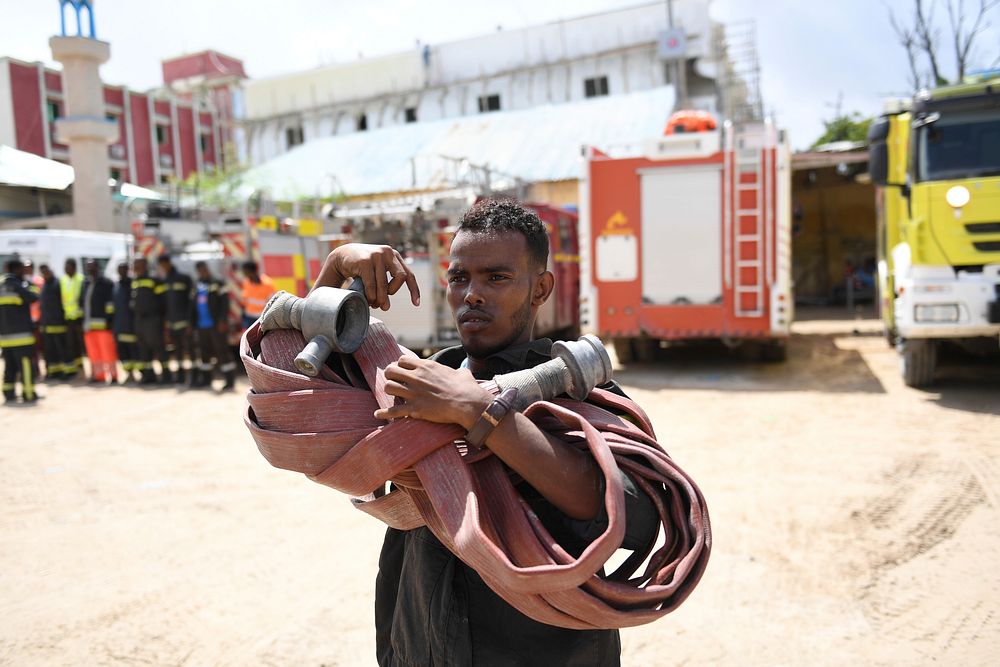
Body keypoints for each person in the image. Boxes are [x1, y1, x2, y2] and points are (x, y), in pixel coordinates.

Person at [312, 198, 656, 666]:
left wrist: (479, 412)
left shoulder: (580, 395)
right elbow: (295, 400)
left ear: (540, 290)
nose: (472, 294)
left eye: (497, 277)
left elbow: (633, 517)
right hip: (420, 647)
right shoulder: (417, 381)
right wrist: (334, 272)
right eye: (459, 278)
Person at [190, 261, 237, 390]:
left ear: (208, 269)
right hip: (201, 326)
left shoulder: (218, 282)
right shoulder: (196, 285)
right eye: (200, 270)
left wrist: (222, 320)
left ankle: (229, 381)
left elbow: (224, 302)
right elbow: (192, 306)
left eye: (205, 269)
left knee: (222, 351)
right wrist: (192, 323)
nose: (203, 272)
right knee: (204, 353)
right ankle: (206, 380)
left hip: (216, 325)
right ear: (198, 271)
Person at [1, 259, 40, 404]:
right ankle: (28, 393)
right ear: (17, 270)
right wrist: (27, 282)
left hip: (4, 337)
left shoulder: (1, 285)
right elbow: (34, 296)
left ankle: (8, 393)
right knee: (25, 366)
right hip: (22, 336)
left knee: (9, 366)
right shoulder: (18, 286)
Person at [157, 254, 194, 384]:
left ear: (169, 263)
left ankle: (194, 376)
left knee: (190, 349)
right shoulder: (164, 281)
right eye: (161, 266)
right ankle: (180, 375)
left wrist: (190, 322)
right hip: (171, 323)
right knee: (176, 350)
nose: (163, 267)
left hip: (184, 322)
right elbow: (163, 304)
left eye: (164, 264)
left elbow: (190, 302)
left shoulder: (183, 278)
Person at [81, 259, 118, 384]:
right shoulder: (85, 283)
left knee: (108, 352)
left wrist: (109, 320)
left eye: (92, 267)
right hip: (88, 326)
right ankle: (99, 375)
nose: (89, 269)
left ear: (97, 267)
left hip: (104, 326)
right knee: (94, 353)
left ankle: (113, 376)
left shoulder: (106, 283)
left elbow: (110, 304)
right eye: (88, 267)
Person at [131, 257, 166, 384]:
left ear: (145, 265)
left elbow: (162, 301)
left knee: (158, 347)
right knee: (143, 349)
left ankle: (166, 376)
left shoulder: (154, 280)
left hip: (153, 319)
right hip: (139, 321)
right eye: (134, 265)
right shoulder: (135, 281)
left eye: (138, 265)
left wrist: (160, 319)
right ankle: (149, 376)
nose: (135, 267)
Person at [38, 264, 72, 380]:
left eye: (47, 272)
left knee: (62, 349)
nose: (45, 274)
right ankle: (54, 371)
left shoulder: (57, 284)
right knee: (50, 351)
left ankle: (67, 371)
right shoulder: (44, 286)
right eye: (43, 273)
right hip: (47, 324)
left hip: (58, 324)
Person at [111, 262, 140, 383]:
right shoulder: (116, 286)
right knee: (122, 352)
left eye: (123, 269)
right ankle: (128, 373)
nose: (121, 272)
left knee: (133, 350)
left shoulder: (133, 284)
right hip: (119, 325)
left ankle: (136, 373)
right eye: (119, 269)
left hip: (130, 325)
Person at [59, 258, 85, 378]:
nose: (66, 269)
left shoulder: (80, 279)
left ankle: (82, 368)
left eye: (68, 267)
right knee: (71, 344)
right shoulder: (63, 280)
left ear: (74, 268)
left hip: (79, 317)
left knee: (80, 344)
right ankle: (76, 368)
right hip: (68, 317)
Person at [240, 260, 276, 329]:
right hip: (249, 317)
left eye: (245, 271)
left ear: (252, 271)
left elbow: (273, 301)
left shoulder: (267, 284)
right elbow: (245, 299)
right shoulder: (246, 282)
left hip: (263, 317)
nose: (244, 274)